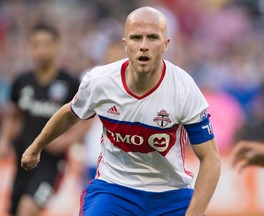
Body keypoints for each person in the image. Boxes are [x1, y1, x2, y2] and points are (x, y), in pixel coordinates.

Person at [21, 7, 221, 216]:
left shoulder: (184, 89)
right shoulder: (100, 81)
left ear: (165, 44)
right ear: (125, 44)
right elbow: (70, 113)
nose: (143, 46)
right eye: (136, 38)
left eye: (152, 38)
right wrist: (36, 147)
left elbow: (211, 158)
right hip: (115, 189)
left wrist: (195, 213)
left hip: (171, 193)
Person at [0, 23, 86, 216]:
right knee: (15, 211)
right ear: (30, 47)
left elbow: (86, 119)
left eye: (47, 44)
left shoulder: (70, 83)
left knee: (27, 209)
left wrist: (68, 140)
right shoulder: (22, 81)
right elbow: (14, 115)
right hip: (22, 159)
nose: (42, 50)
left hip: (51, 163)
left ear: (57, 46)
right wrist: (5, 140)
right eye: (37, 44)